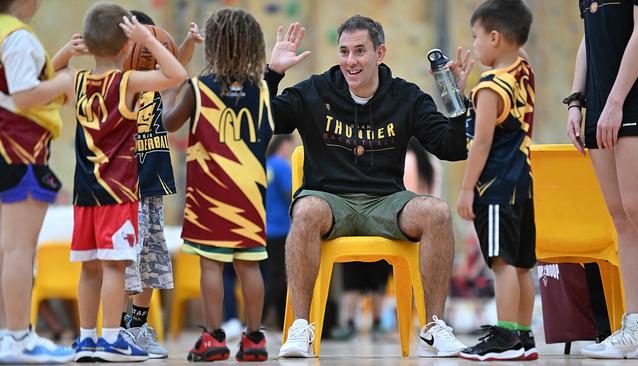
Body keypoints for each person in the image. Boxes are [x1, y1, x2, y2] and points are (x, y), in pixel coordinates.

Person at [267, 15, 473, 358]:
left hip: (386, 203)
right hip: (329, 199)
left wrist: (456, 101)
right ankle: (301, 327)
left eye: (360, 51)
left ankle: (435, 326)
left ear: (380, 53)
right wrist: (272, 74)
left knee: (436, 212)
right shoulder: (315, 91)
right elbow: (263, 123)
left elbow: (452, 148)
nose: (350, 61)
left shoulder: (406, 97)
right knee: (305, 210)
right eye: (344, 51)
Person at [52, 2, 187, 362]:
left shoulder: (77, 81)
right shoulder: (127, 82)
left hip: (84, 196)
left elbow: (45, 77)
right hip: (118, 194)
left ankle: (85, 339)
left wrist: (66, 52)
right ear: (128, 46)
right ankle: (112, 338)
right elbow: (175, 75)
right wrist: (151, 41)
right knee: (114, 267)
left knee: (90, 267)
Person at [163, 8, 272, 362]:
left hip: (210, 191)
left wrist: (169, 88)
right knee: (250, 265)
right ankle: (254, 339)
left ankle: (212, 339)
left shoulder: (199, 87)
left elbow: (169, 123)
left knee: (211, 264)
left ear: (215, 48)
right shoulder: (262, 90)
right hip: (251, 191)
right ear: (253, 46)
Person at [566, 0, 638, 360]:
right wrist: (576, 101)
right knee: (621, 216)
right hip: (600, 105)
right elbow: (589, 38)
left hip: (635, 97)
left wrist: (617, 102)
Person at [454, 0, 536, 361]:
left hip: (495, 188)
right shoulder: (525, 71)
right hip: (524, 185)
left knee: (501, 263)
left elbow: (482, 141)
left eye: (476, 37)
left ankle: (504, 338)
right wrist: (462, 87)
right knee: (520, 266)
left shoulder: (490, 87)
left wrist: (467, 188)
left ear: (495, 37)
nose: (473, 45)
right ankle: (523, 335)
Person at [119, 9, 203, 359]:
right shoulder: (117, 85)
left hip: (151, 185)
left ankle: (136, 326)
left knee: (151, 263)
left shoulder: (157, 86)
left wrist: (184, 44)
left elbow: (175, 67)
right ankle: (114, 329)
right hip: (123, 187)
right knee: (125, 263)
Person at [0, 0, 75, 363]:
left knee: (7, 250)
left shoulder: (7, 35)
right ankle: (18, 336)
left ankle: (10, 333)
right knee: (19, 249)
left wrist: (57, 62)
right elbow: (24, 95)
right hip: (20, 152)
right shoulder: (17, 36)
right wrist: (64, 82)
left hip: (8, 151)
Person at [262, 134, 294, 329]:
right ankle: (259, 320)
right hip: (282, 229)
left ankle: (280, 321)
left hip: (266, 228)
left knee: (271, 275)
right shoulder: (282, 166)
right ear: (284, 144)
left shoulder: (267, 165)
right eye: (292, 147)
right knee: (280, 277)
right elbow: (292, 193)